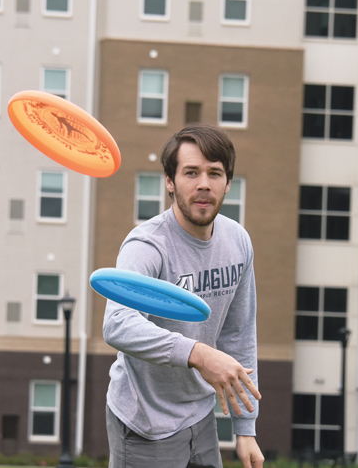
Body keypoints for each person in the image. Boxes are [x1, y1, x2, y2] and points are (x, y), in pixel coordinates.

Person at [103, 124, 264, 468]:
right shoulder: (147, 245)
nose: (203, 183)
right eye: (191, 172)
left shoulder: (237, 242)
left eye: (214, 173)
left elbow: (239, 335)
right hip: (146, 421)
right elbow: (117, 324)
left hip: (199, 415)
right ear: (170, 182)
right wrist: (199, 354)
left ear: (228, 183)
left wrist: (245, 428)